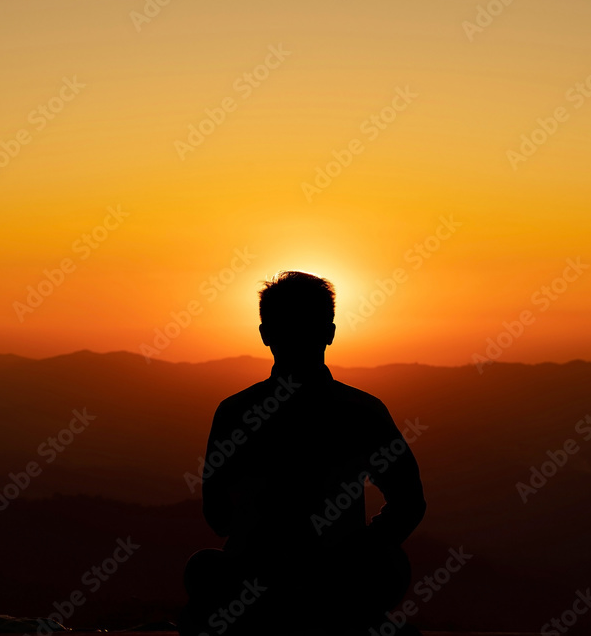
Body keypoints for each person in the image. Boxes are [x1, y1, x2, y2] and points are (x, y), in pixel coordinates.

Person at [179, 271, 427, 636]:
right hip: (341, 584)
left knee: (203, 570)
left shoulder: (236, 412)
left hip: (254, 584)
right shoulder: (362, 411)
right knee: (389, 566)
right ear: (329, 332)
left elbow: (218, 517)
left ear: (265, 334)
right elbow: (409, 502)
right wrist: (359, 549)